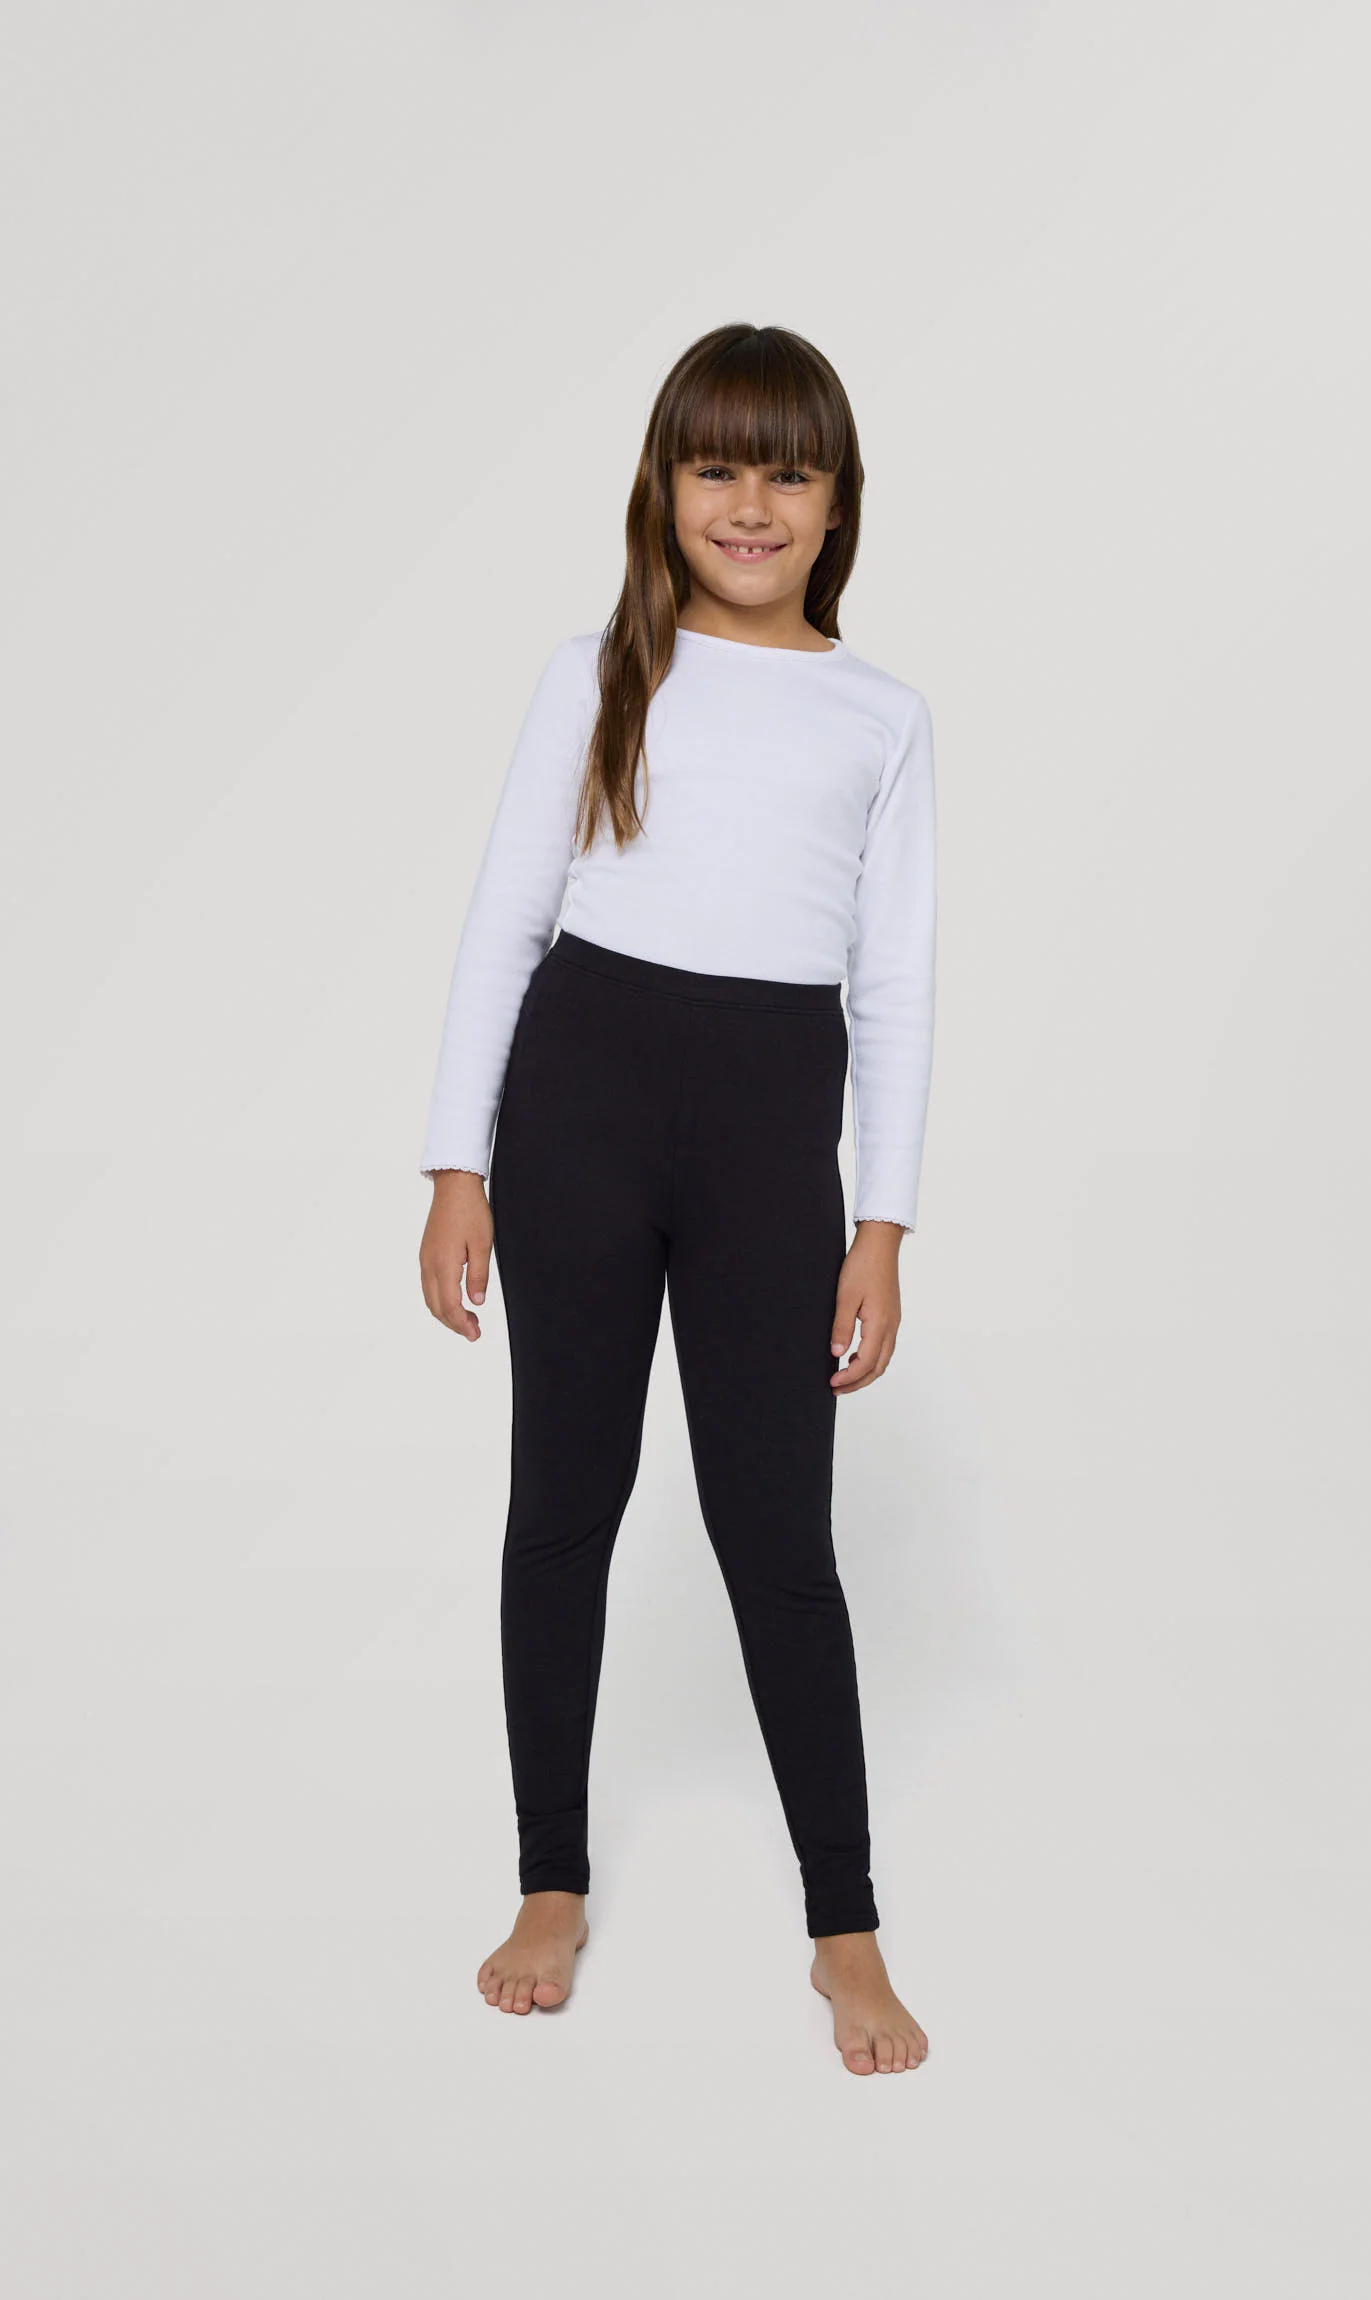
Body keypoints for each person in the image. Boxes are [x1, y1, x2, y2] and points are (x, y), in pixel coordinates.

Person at [417, 322, 936, 2077]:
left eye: (788, 471)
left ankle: (843, 1926)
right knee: (564, 1502)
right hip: (579, 1111)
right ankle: (549, 1883)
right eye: (716, 467)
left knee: (777, 1536)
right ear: (662, 487)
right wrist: (456, 1162)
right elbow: (505, 921)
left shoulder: (879, 716)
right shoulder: (596, 676)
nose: (750, 503)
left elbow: (896, 984)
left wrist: (881, 1224)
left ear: (837, 504)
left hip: (766, 1145)